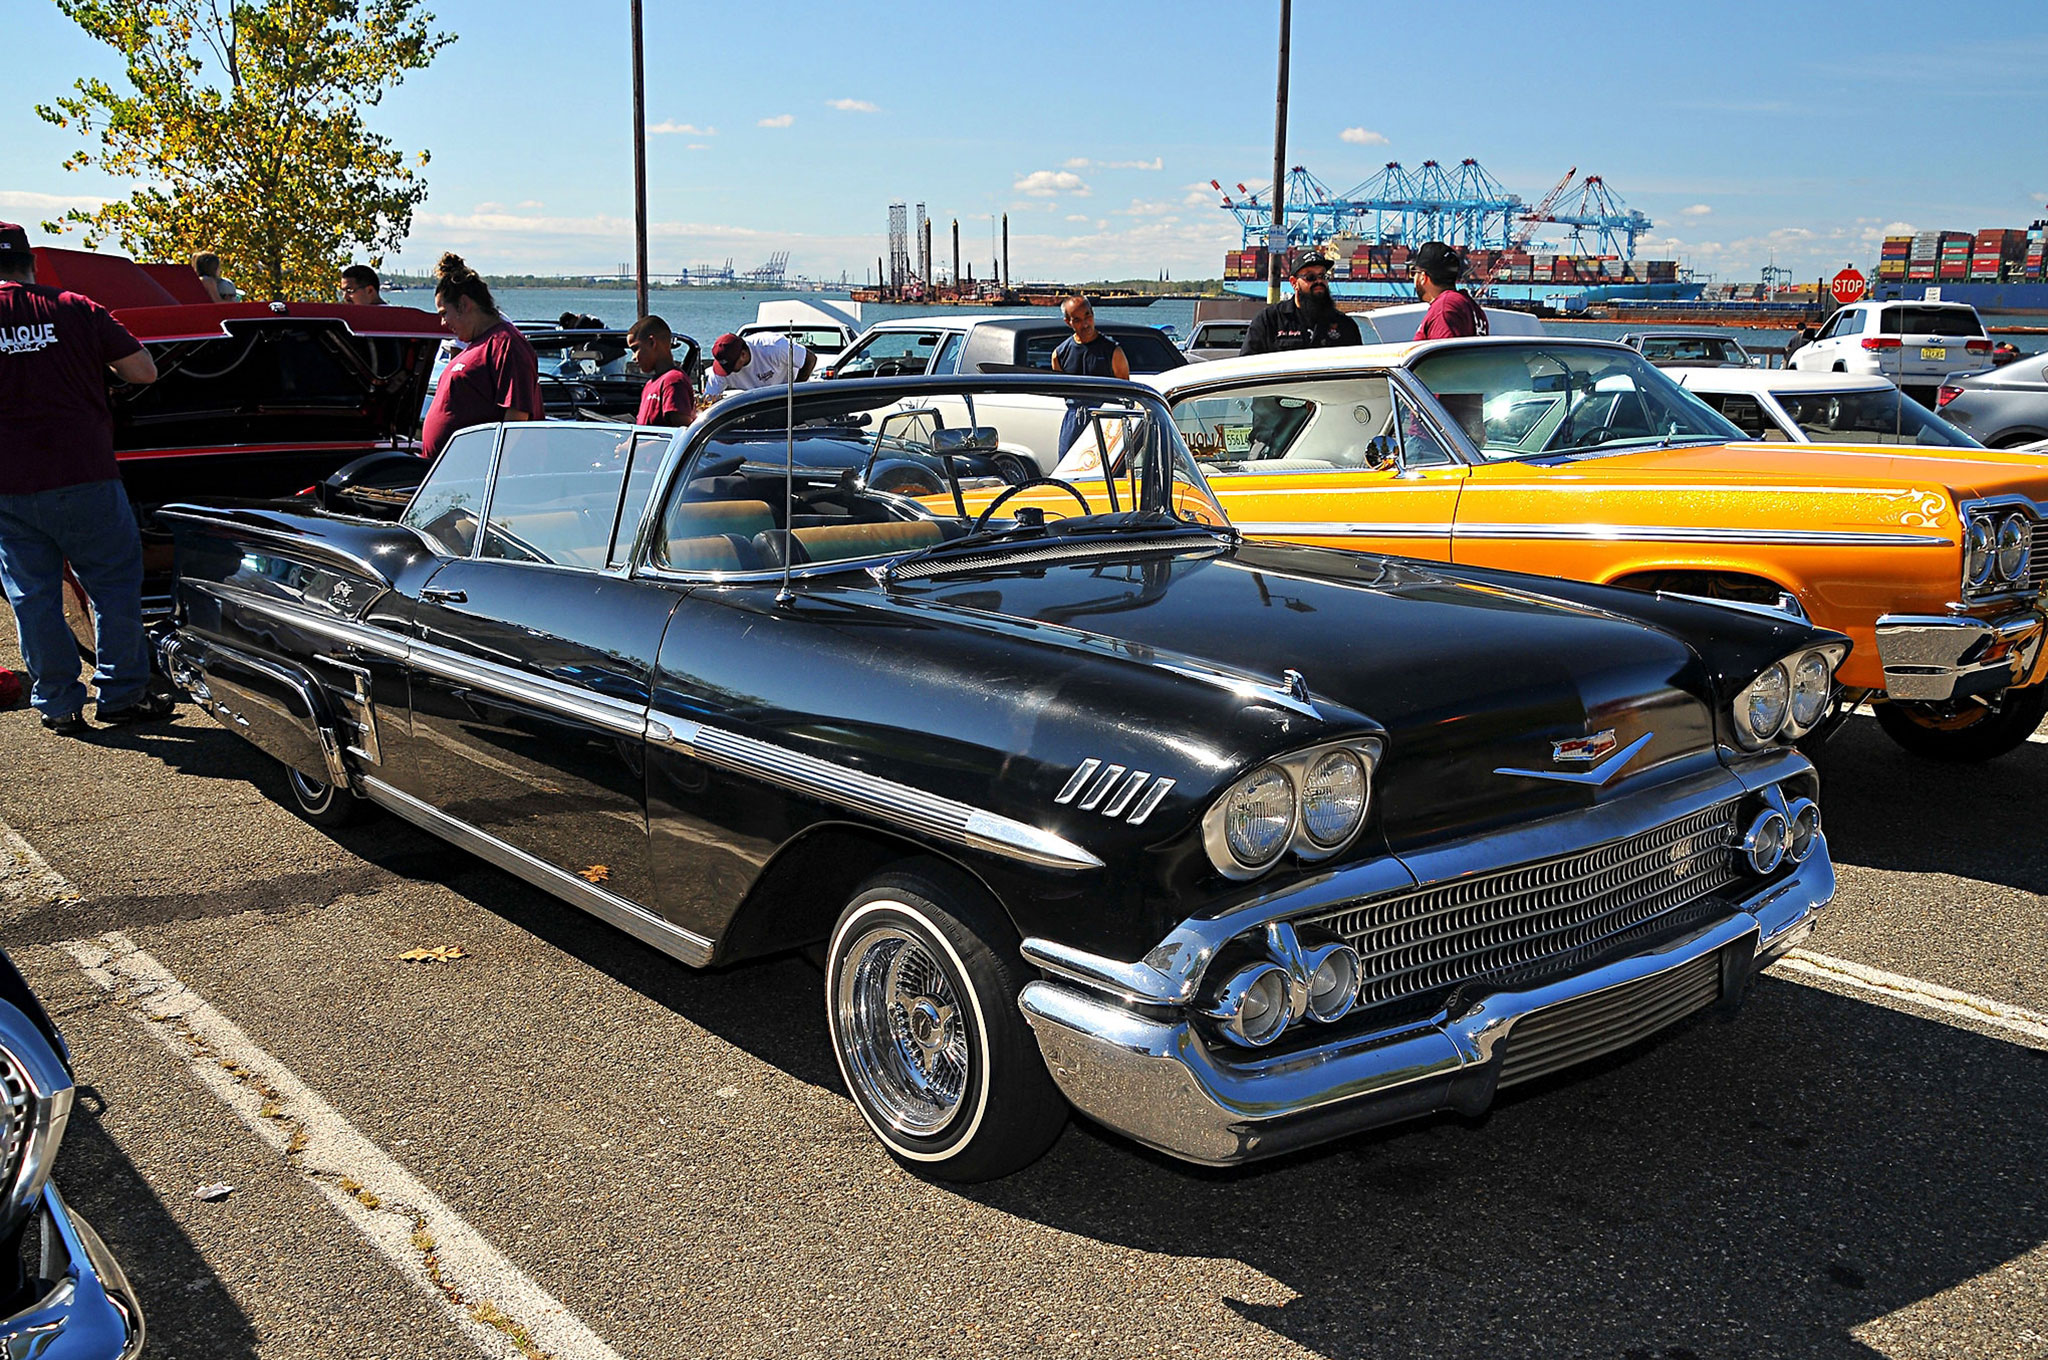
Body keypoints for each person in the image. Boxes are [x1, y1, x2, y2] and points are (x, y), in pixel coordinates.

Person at [0, 222, 172, 733]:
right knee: (112, 586)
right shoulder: (75, 307)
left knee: (32, 595)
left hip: (8, 484)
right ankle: (121, 695)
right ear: (32, 263)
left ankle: (57, 703)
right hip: (84, 472)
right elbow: (143, 372)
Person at [421, 252, 543, 458]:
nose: (442, 322)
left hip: (482, 470)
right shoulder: (476, 344)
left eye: (444, 313)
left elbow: (517, 414)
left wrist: (499, 461)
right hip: (452, 469)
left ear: (464, 304)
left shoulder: (506, 343)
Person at [1239, 253, 1362, 355]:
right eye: (1310, 277)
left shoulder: (1345, 325)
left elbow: (1356, 367)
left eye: (1323, 276)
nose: (1319, 281)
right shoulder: (1269, 321)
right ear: (1294, 283)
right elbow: (1247, 365)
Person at [1052, 295, 1130, 455]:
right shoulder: (1059, 355)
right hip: (1073, 424)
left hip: (1107, 423)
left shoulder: (1113, 352)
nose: (1085, 323)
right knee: (1068, 467)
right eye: (1077, 319)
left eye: (1087, 315)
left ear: (1093, 313)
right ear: (1068, 322)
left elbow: (1126, 395)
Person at [1409, 241, 1488, 340]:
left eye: (1413, 272)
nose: (1413, 278)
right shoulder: (1469, 305)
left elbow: (1445, 349)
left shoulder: (1444, 309)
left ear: (1423, 277)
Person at [703, 332, 814, 402]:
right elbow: (709, 400)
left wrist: (795, 392)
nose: (727, 371)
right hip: (756, 403)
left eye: (730, 366)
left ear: (743, 354)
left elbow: (810, 359)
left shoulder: (773, 347)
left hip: (786, 395)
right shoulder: (721, 371)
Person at [628, 315, 694, 428]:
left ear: (652, 342)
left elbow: (681, 431)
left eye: (635, 349)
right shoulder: (650, 384)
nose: (633, 357)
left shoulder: (673, 381)